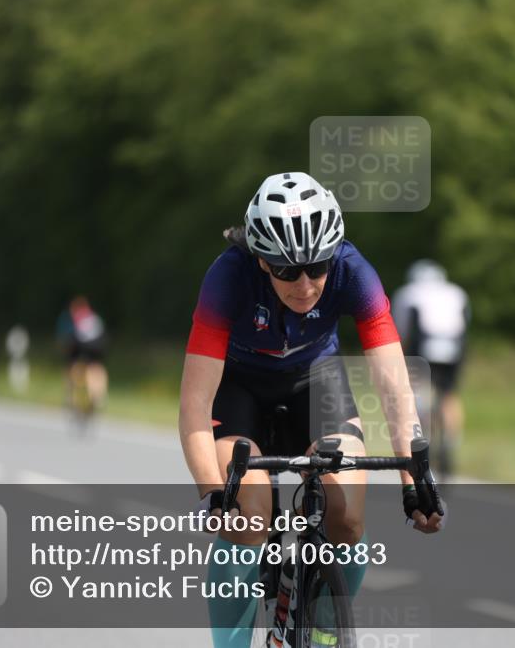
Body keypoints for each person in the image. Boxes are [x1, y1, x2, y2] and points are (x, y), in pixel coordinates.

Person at [179, 172, 443, 648]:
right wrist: (214, 493)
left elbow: (393, 388)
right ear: (262, 260)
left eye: (317, 267)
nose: (305, 284)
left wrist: (415, 481)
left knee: (346, 519)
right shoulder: (227, 276)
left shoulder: (353, 271)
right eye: (286, 271)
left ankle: (321, 631)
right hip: (239, 387)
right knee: (247, 516)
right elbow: (195, 403)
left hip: (316, 381)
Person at [391, 260, 470, 474]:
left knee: (418, 391)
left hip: (424, 344)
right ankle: (450, 442)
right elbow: (465, 323)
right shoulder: (456, 292)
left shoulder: (408, 293)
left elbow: (402, 331)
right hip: (454, 346)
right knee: (449, 395)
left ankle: (423, 436)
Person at [55, 295, 108, 414]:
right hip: (97, 348)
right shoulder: (95, 318)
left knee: (72, 367)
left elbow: (70, 340)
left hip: (81, 347)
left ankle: (70, 397)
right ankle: (98, 396)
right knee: (96, 367)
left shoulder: (76, 318)